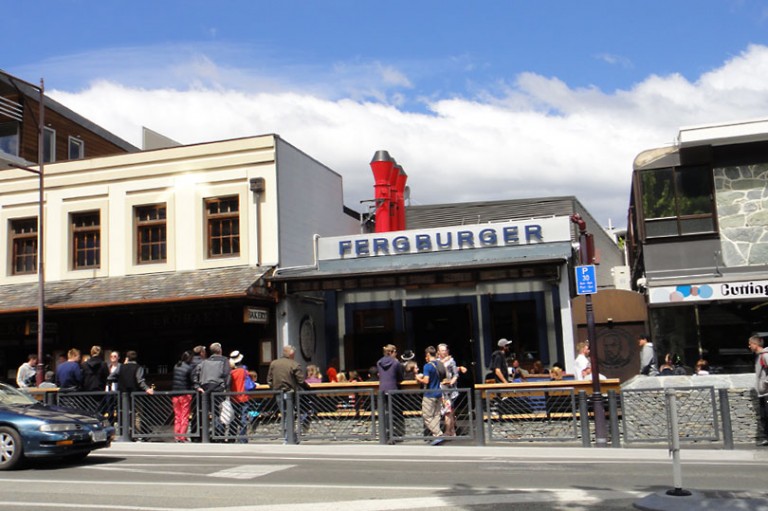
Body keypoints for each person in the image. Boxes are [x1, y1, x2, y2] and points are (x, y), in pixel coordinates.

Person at [267, 345, 311, 439]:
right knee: (290, 413)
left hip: (278, 392)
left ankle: (287, 435)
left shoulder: (274, 363)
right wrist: (309, 389)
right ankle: (289, 437)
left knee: (284, 413)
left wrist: (274, 388)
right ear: (291, 354)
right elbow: (301, 381)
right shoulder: (294, 364)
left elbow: (269, 380)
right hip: (290, 392)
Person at [193, 342, 231, 439]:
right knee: (219, 412)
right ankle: (219, 435)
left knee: (210, 412)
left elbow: (195, 374)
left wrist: (197, 386)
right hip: (218, 389)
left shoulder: (205, 361)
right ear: (220, 350)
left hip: (206, 389)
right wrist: (226, 388)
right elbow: (227, 375)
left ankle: (210, 434)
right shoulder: (224, 360)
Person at [415, 346, 444, 442]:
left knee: (427, 416)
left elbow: (426, 381)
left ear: (427, 354)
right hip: (439, 393)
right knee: (436, 415)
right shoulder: (440, 363)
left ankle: (438, 434)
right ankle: (436, 435)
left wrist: (418, 378)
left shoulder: (427, 366)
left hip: (429, 394)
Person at [377, 344, 405, 442]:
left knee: (384, 412)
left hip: (382, 389)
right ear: (392, 352)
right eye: (396, 352)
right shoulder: (396, 362)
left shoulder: (379, 362)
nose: (397, 354)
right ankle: (393, 436)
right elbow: (400, 377)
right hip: (393, 389)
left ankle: (385, 434)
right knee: (393, 412)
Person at [437, 343, 463, 437]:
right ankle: (452, 431)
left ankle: (449, 431)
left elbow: (455, 374)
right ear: (438, 352)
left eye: (445, 350)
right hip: (440, 389)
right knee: (448, 411)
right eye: (442, 350)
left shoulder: (451, 361)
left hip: (450, 390)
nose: (444, 352)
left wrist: (451, 381)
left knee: (448, 411)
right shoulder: (437, 361)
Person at [748, 335, 768, 446]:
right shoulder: (759, 356)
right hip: (763, 393)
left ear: (755, 344)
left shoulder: (765, 356)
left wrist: (765, 384)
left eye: (750, 344)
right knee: (764, 416)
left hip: (766, 392)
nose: (749, 346)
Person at [171, 351, 194, 442]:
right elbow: (191, 381)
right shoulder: (189, 368)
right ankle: (182, 436)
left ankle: (177, 435)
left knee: (177, 415)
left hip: (175, 394)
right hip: (185, 393)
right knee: (185, 415)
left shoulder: (176, 366)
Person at [228, 350, 250, 442]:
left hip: (234, 398)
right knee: (244, 418)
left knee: (233, 418)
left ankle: (232, 436)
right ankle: (242, 438)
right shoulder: (244, 371)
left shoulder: (231, 373)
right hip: (244, 397)